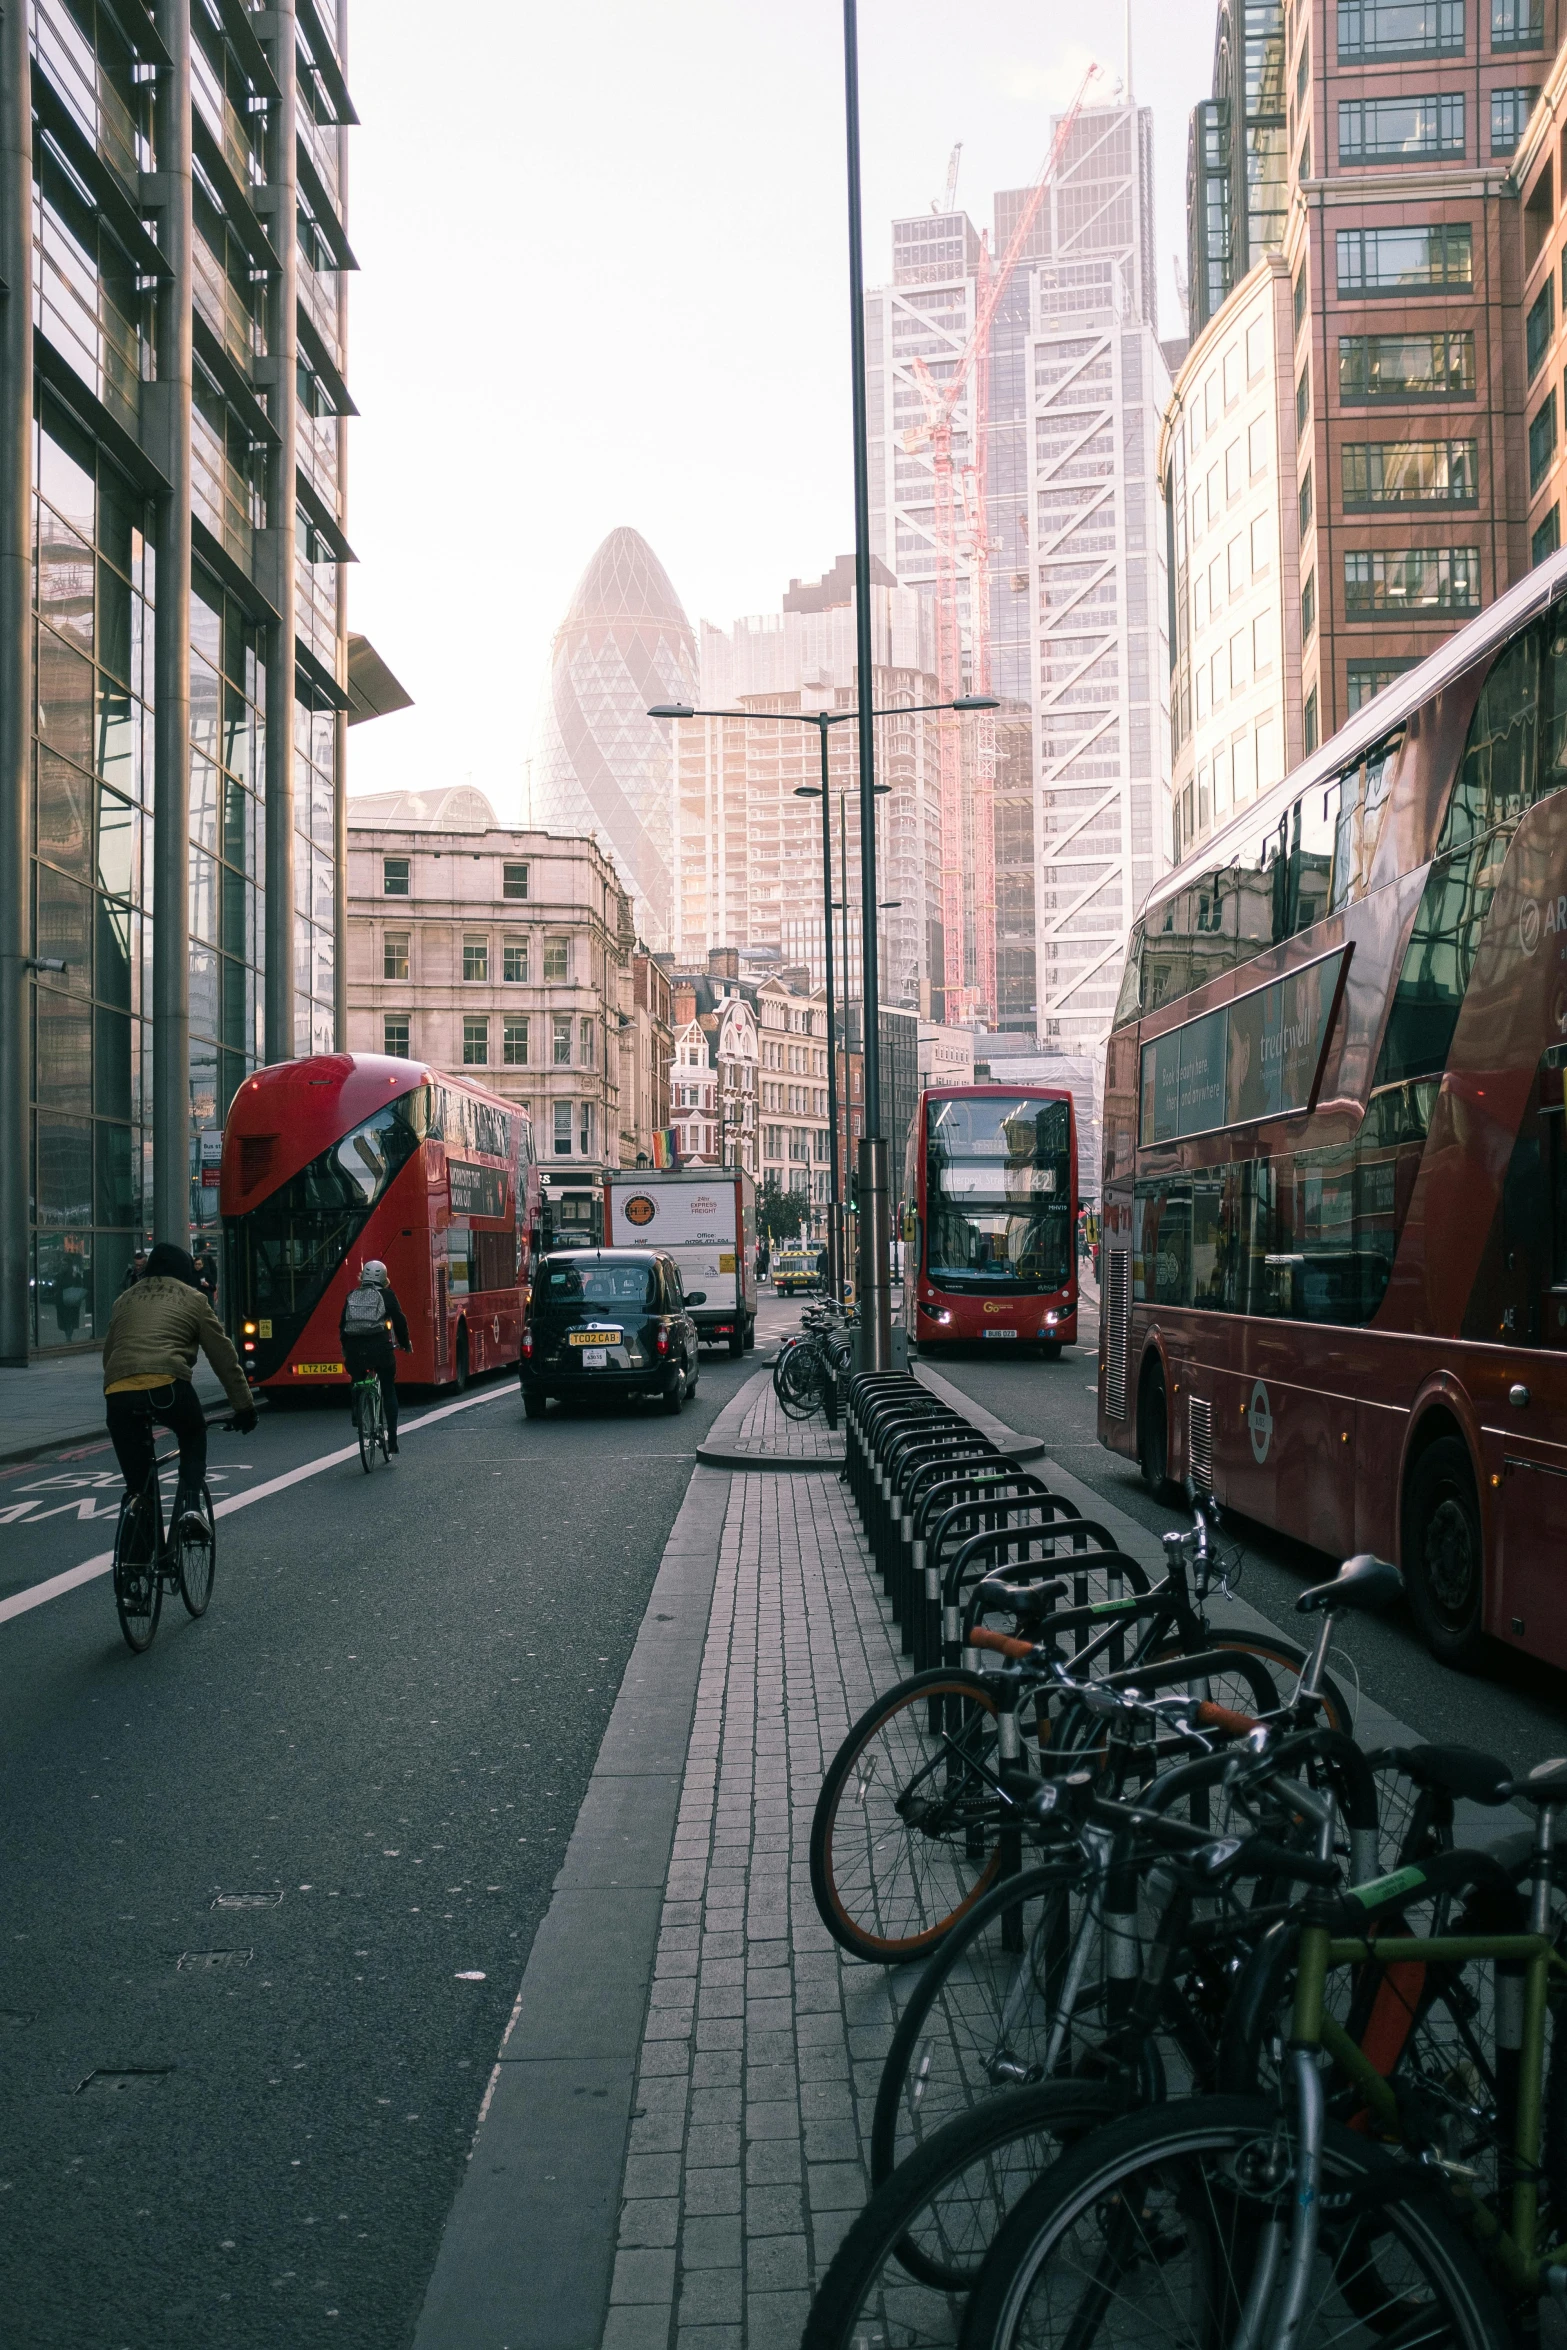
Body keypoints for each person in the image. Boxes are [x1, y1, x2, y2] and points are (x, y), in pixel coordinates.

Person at [102, 1241, 256, 1527]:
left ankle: (136, 1551)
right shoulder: (194, 1299)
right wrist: (244, 1406)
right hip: (168, 1386)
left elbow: (109, 1355)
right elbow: (223, 1356)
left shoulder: (124, 1299)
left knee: (138, 1484)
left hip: (119, 1392)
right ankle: (191, 1506)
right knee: (193, 1432)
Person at [339, 1259, 411, 1454]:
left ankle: (357, 1413)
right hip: (380, 1349)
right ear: (384, 1278)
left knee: (357, 1379)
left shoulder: (352, 1295)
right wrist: (405, 1344)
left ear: (362, 1278)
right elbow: (399, 1321)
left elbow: (343, 1326)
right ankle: (393, 1439)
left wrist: (346, 1349)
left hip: (355, 1350)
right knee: (388, 1389)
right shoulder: (387, 1295)